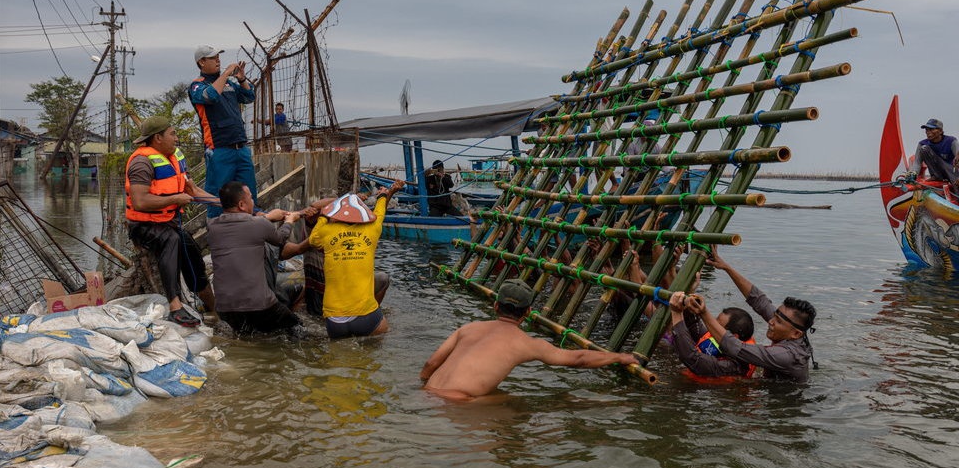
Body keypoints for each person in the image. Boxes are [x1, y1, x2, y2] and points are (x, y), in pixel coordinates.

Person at [420, 279, 638, 400]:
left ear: (496, 306)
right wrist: (619, 357)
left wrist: (421, 388)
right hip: (460, 402)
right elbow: (578, 358)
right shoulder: (527, 344)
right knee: (516, 403)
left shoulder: (468, 328)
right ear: (528, 312)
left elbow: (430, 364)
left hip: (429, 392)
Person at [125, 116, 216, 327]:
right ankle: (175, 307)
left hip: (169, 221)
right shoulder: (141, 162)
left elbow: (192, 190)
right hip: (144, 226)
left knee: (192, 254)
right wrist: (175, 199)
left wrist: (224, 203)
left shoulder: (175, 157)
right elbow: (139, 201)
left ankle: (213, 308)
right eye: (173, 134)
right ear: (157, 137)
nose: (177, 138)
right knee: (171, 240)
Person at [687, 247, 817, 381]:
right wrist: (726, 267)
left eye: (778, 321)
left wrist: (703, 312)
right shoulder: (788, 326)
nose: (771, 321)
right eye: (775, 316)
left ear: (796, 334)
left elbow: (735, 347)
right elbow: (758, 300)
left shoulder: (786, 355)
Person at [296, 180, 404, 339]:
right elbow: (380, 212)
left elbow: (313, 238)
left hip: (334, 321)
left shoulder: (325, 232)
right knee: (383, 338)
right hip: (365, 315)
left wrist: (324, 216)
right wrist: (383, 195)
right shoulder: (372, 229)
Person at [206, 181, 304, 334]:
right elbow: (280, 239)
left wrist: (267, 218)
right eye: (251, 198)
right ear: (241, 204)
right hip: (259, 305)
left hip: (225, 307)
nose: (253, 202)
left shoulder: (212, 226)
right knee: (296, 328)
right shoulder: (259, 224)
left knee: (246, 335)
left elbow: (242, 230)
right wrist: (289, 222)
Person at [282, 196, 390, 318]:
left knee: (382, 279)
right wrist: (348, 198)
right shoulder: (320, 231)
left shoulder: (330, 231)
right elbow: (315, 206)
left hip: (340, 292)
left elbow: (377, 218)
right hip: (322, 290)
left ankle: (370, 313)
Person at [188, 45, 256, 218]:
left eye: (218, 56)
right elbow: (210, 96)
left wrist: (241, 79)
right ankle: (218, 234)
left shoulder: (230, 83)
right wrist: (226, 74)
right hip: (219, 149)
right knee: (218, 197)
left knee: (249, 195)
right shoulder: (197, 86)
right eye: (213, 57)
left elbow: (249, 97)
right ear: (201, 62)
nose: (218, 60)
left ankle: (250, 231)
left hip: (241, 148)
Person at [668, 290, 756, 380]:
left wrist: (676, 313)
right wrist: (689, 308)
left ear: (734, 337)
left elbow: (693, 359)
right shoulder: (725, 338)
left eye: (717, 326)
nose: (712, 326)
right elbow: (694, 326)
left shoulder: (736, 365)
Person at [908, 118, 959, 186]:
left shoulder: (951, 141)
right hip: (938, 176)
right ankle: (936, 177)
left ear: (940, 131)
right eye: (927, 130)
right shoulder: (922, 144)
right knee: (924, 148)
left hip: (952, 174)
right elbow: (917, 163)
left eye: (931, 129)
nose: (928, 132)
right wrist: (912, 174)